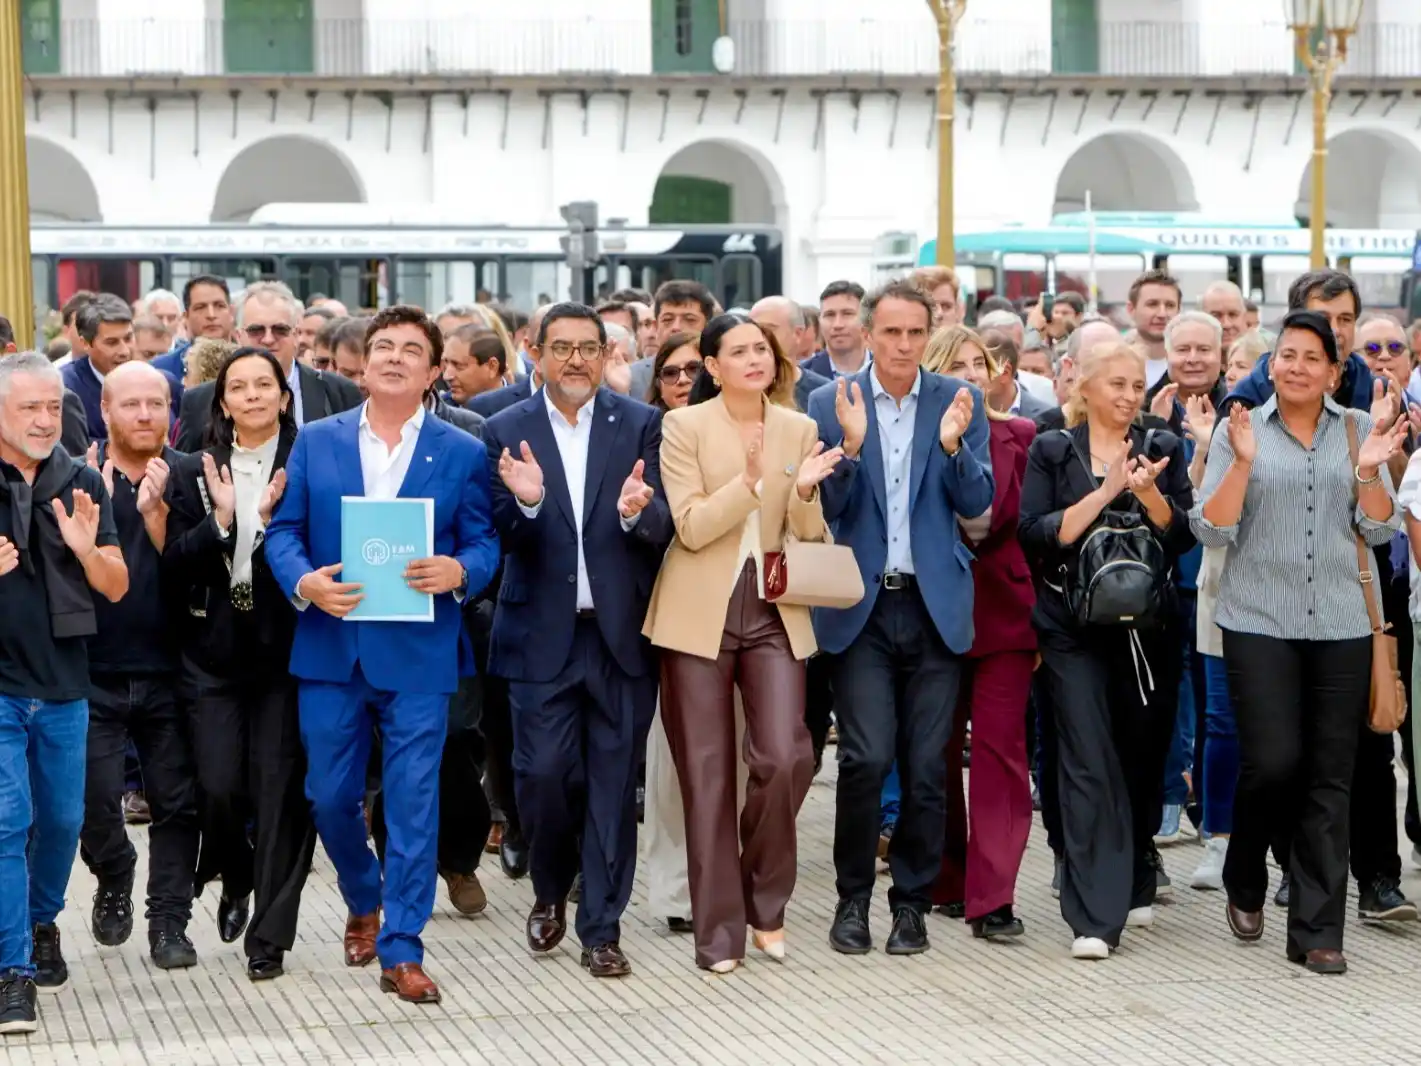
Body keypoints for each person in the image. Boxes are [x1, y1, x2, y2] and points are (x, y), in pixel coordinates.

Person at [264, 307, 501, 1005]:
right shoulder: (315, 440)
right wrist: (303, 581)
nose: (395, 358)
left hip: (419, 649)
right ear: (362, 365)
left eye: (411, 351)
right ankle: (362, 894)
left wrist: (460, 572)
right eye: (383, 348)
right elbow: (285, 531)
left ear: (433, 373)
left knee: (412, 801)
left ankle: (402, 945)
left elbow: (483, 542)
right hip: (333, 646)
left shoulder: (460, 451)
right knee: (329, 797)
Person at [1193, 309, 1406, 975]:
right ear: (1271, 363)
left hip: (1341, 621)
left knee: (1329, 777)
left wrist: (1369, 471)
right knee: (1274, 763)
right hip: (1257, 618)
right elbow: (1210, 530)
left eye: (1311, 358)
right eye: (1286, 355)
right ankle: (1244, 870)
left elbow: (1378, 531)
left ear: (1332, 371)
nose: (1295, 367)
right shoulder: (1240, 429)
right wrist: (1241, 466)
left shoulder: (1356, 430)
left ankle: (1317, 932)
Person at [483, 302, 672, 979]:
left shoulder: (642, 424)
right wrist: (528, 503)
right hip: (538, 638)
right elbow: (496, 533)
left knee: (614, 787)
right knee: (541, 777)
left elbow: (664, 523)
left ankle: (601, 926)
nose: (574, 360)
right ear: (536, 353)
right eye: (560, 347)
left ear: (604, 354)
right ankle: (548, 887)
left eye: (587, 348)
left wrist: (637, 513)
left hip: (619, 637)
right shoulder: (503, 429)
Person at [644, 313, 836, 972]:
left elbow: (807, 534)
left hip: (775, 610)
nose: (753, 358)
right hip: (697, 611)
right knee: (705, 775)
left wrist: (804, 491)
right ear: (712, 365)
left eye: (761, 348)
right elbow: (692, 526)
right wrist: (751, 483)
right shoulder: (682, 426)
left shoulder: (798, 427)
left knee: (785, 756)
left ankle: (766, 900)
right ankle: (717, 935)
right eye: (737, 351)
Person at [807, 282, 994, 956]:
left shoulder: (955, 400)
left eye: (915, 333)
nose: (903, 346)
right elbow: (825, 508)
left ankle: (910, 904)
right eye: (890, 333)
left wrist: (950, 448)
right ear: (867, 332)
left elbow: (981, 506)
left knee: (926, 767)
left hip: (932, 605)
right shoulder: (831, 402)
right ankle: (851, 899)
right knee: (862, 758)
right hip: (859, 605)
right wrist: (850, 449)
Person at [1018, 340, 1195, 961]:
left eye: (1135, 384)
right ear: (1085, 388)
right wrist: (1104, 492)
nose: (1127, 395)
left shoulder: (1164, 446)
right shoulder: (1050, 448)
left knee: (1141, 756)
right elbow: (1036, 537)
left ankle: (1138, 864)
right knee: (1087, 754)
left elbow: (1181, 537)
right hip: (1071, 628)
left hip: (1149, 630)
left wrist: (1147, 494)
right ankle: (1095, 914)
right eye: (1115, 383)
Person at [163, 347, 315, 982]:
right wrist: (223, 523)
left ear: (283, 396)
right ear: (221, 401)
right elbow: (174, 564)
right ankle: (236, 870)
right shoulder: (194, 468)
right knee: (219, 788)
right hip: (214, 655)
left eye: (265, 385)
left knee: (282, 795)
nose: (252, 396)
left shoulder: (312, 460)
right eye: (238, 387)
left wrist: (284, 529)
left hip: (288, 651)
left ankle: (269, 939)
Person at [0, 351, 128, 1035]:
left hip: (64, 686)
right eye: (29, 408)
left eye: (53, 407)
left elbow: (115, 586)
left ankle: (43, 920)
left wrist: (84, 548)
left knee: (60, 823)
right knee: (5, 823)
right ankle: (11, 971)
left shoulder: (81, 481)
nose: (45, 419)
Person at [78, 362, 201, 972]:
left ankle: (169, 921)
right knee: (93, 802)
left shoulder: (191, 477)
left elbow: (203, 575)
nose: (146, 415)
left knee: (178, 803)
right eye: (131, 404)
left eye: (156, 402)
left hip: (172, 669)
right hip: (93, 670)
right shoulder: (76, 479)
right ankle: (114, 867)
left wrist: (158, 522)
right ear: (105, 410)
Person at [921, 326, 1037, 940]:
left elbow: (1023, 530)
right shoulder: (910, 441)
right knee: (932, 752)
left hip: (1005, 615)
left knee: (999, 755)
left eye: (979, 364)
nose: (970, 374)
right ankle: (948, 877)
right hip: (931, 616)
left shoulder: (1021, 435)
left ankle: (993, 896)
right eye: (956, 365)